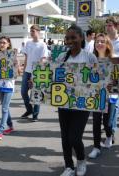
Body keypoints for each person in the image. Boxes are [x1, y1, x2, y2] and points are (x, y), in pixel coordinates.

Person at [56, 25, 98, 176]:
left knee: (74, 137)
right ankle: (69, 166)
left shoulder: (89, 57)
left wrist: (107, 84)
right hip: (64, 103)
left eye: (73, 37)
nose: (70, 41)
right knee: (65, 137)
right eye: (67, 38)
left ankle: (81, 161)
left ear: (81, 38)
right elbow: (55, 77)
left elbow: (98, 78)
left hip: (82, 103)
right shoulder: (61, 57)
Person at [88, 33, 114, 159]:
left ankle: (109, 136)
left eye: (102, 41)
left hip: (110, 97)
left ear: (107, 44)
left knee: (107, 123)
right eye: (97, 41)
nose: (99, 43)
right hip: (95, 96)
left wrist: (113, 85)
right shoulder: (90, 59)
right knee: (96, 122)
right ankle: (96, 147)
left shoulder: (113, 60)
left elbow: (116, 80)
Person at [0, 36, 18, 140]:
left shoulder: (12, 56)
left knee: (4, 108)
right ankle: (10, 126)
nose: (1, 44)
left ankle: (0, 130)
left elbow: (16, 73)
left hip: (8, 86)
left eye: (4, 43)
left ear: (8, 44)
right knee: (5, 107)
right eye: (0, 43)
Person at [21, 24, 48, 122]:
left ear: (38, 32)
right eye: (31, 31)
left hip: (37, 73)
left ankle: (35, 115)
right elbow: (26, 57)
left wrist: (35, 74)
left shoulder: (43, 45)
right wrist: (24, 70)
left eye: (33, 31)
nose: (31, 33)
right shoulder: (28, 43)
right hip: (27, 71)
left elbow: (43, 60)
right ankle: (29, 110)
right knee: (23, 92)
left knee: (36, 94)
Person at [105, 16, 119, 138]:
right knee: (109, 107)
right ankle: (110, 130)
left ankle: (111, 131)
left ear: (116, 26)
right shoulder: (103, 41)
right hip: (105, 80)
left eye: (110, 25)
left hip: (116, 81)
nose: (107, 28)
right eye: (107, 25)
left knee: (114, 105)